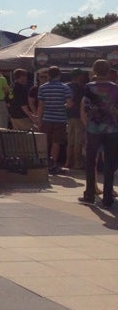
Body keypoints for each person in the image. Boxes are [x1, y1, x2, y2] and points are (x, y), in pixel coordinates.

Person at [79, 59, 118, 208]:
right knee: (110, 162)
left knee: (91, 161)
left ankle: (89, 194)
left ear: (94, 71)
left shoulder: (89, 87)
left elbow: (86, 108)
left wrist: (89, 123)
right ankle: (107, 197)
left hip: (94, 129)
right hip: (112, 129)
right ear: (109, 71)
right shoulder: (115, 88)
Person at [37, 66, 72, 175]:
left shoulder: (42, 88)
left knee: (46, 142)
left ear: (49, 75)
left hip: (46, 118)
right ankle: (53, 165)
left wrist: (39, 120)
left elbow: (40, 106)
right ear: (59, 74)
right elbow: (69, 103)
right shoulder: (65, 87)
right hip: (60, 119)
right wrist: (63, 106)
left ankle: (43, 163)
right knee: (56, 143)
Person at [66, 69, 87, 170]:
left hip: (69, 116)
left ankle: (67, 162)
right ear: (79, 76)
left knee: (70, 141)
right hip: (78, 116)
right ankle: (77, 163)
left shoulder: (66, 86)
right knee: (78, 141)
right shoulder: (80, 88)